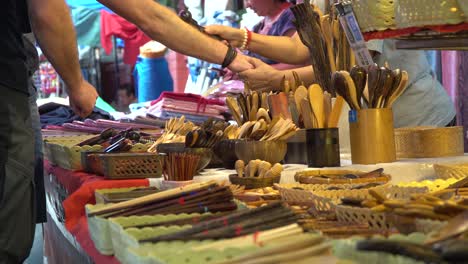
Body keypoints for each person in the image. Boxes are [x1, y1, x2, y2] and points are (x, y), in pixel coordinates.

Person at [0, 0, 257, 262]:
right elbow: (50, 10)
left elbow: (150, 14)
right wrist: (76, 83)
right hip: (6, 91)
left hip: (14, 85)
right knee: (8, 235)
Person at [208, 21, 456, 128]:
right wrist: (242, 38)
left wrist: (279, 79)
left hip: (417, 119)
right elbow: (301, 46)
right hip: (369, 119)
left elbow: (355, 66)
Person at [206, 0, 300, 70]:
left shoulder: (291, 17)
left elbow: (298, 62)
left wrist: (253, 70)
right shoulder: (260, 25)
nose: (247, 5)